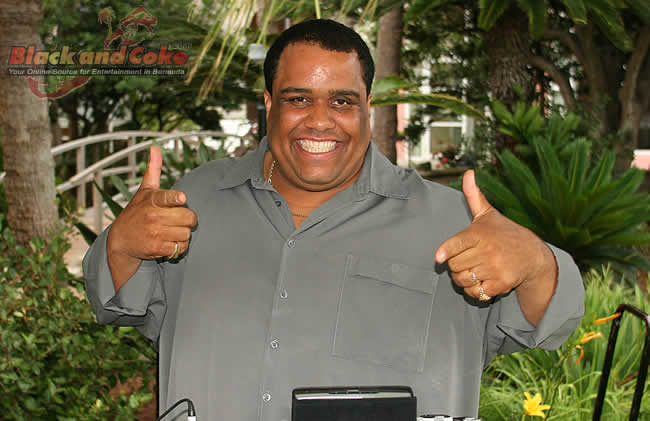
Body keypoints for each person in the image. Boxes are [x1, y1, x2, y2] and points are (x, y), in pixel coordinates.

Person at [83, 19, 585, 420]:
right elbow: (116, 302)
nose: (320, 120)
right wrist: (121, 244)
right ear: (269, 104)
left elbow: (549, 324)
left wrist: (535, 263)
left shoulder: (453, 223)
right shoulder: (192, 202)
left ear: (368, 106)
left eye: (342, 101)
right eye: (298, 99)